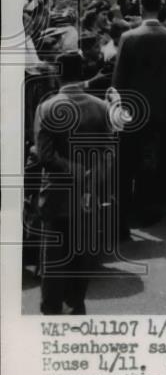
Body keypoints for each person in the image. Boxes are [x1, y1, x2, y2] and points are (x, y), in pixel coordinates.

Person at [34, 52, 114, 314]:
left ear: (57, 74)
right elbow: (109, 152)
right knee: (83, 254)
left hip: (56, 194)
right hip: (90, 195)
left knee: (54, 257)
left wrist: (75, 170)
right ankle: (75, 303)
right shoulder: (101, 107)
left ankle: (52, 309)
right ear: (82, 73)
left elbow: (45, 156)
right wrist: (94, 177)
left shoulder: (46, 107)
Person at [112, 0, 166, 233]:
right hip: (160, 109)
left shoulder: (128, 37)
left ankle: (122, 215)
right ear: (160, 6)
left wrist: (118, 108)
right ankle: (148, 209)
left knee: (126, 163)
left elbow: (118, 78)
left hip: (132, 109)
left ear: (142, 8)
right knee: (151, 161)